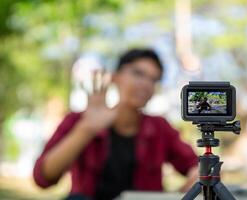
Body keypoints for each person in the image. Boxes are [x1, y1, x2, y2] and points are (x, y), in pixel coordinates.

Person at [33, 48, 198, 200]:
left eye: (153, 79)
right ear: (115, 77)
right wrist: (86, 129)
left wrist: (189, 185)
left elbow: (195, 166)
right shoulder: (79, 120)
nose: (146, 84)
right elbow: (43, 178)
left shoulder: (160, 128)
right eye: (138, 73)